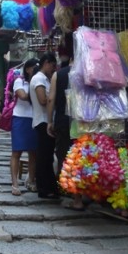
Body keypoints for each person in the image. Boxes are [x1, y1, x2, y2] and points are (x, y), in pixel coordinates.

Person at [48, 58, 83, 209]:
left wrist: (49, 121)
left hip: (63, 121)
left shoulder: (58, 74)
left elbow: (51, 99)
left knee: (64, 157)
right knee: (81, 158)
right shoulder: (86, 73)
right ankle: (79, 195)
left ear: (68, 58)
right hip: (82, 123)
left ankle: (70, 193)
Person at [30, 52, 59, 199]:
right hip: (42, 121)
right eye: (53, 66)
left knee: (46, 156)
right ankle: (43, 187)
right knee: (44, 156)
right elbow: (43, 100)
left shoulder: (44, 78)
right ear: (46, 63)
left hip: (44, 120)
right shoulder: (39, 78)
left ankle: (49, 187)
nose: (53, 69)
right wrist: (54, 99)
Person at [10, 59, 38, 196]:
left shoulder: (40, 81)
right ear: (27, 69)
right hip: (20, 118)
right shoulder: (19, 81)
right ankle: (15, 183)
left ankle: (31, 180)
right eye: (34, 67)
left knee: (33, 152)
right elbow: (22, 95)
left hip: (35, 118)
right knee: (17, 152)